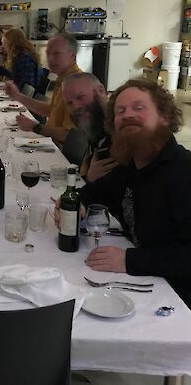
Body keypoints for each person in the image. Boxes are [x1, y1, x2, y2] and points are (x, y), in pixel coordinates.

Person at [58, 80, 191, 307]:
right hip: (144, 283)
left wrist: (129, 260)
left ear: (165, 117)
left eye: (139, 108)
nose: (128, 115)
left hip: (178, 302)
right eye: (121, 111)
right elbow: (94, 192)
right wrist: (74, 203)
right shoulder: (131, 166)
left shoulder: (183, 171)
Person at [5, 32, 82, 144]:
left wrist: (35, 127)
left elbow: (70, 135)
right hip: (51, 143)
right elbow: (52, 110)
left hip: (61, 154)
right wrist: (18, 96)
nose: (50, 59)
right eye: (48, 54)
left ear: (73, 56)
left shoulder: (76, 85)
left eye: (56, 54)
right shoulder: (63, 78)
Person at [62, 72, 118, 182]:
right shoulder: (95, 127)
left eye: (80, 97)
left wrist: (90, 179)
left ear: (101, 91)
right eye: (69, 103)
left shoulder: (118, 132)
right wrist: (89, 179)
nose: (76, 107)